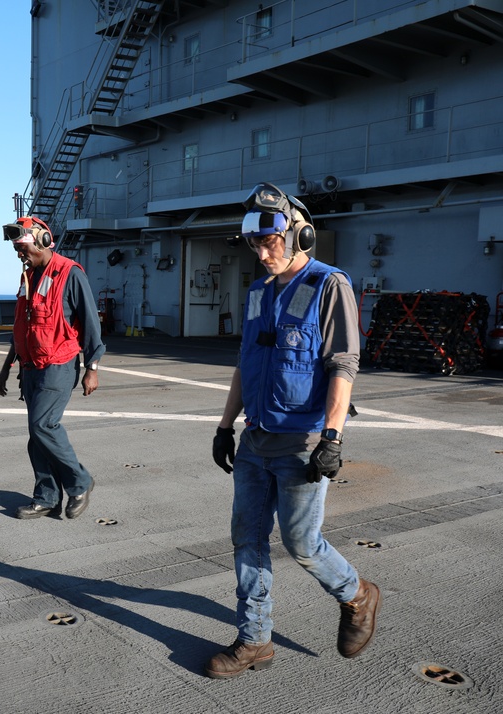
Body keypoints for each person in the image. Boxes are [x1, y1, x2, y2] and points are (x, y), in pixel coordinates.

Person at [206, 182, 380, 679]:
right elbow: (246, 361)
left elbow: (343, 365)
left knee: (302, 543)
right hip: (256, 439)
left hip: (303, 442)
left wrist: (333, 437)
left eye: (272, 242)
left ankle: (357, 594)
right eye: (255, 244)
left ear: (301, 236)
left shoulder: (329, 285)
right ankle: (255, 638)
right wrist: (224, 427)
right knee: (247, 539)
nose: (263, 254)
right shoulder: (259, 292)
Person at [0, 216, 105, 520]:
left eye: (22, 246)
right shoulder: (28, 277)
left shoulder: (70, 274)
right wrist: (7, 366)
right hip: (30, 367)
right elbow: (22, 326)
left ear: (42, 241)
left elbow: (91, 324)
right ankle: (46, 497)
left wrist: (92, 367)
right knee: (36, 434)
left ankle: (80, 482)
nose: (19, 253)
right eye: (16, 248)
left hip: (59, 364)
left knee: (44, 426)